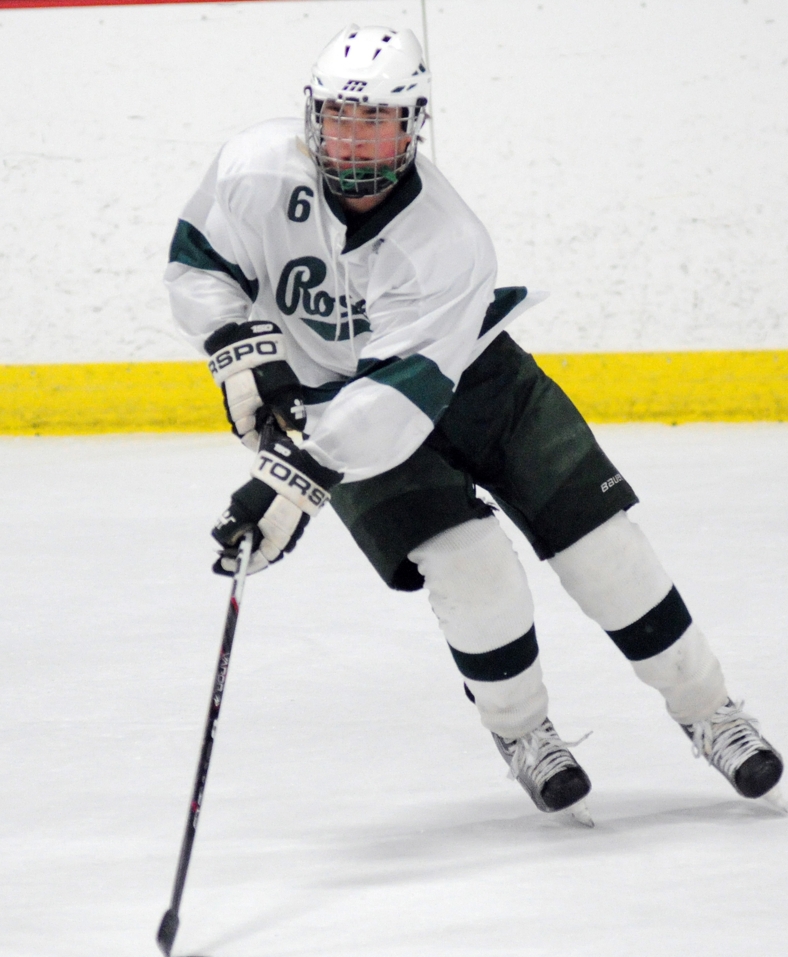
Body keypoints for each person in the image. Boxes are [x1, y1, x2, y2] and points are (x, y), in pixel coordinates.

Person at [165, 24, 783, 824]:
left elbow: (392, 409)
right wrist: (240, 354)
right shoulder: (253, 167)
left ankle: (711, 711)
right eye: (337, 118)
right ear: (311, 115)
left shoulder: (449, 243)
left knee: (605, 549)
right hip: (333, 404)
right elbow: (198, 263)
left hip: (476, 387)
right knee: (469, 565)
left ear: (414, 123)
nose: (351, 140)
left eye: (376, 120)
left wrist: (290, 483)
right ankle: (525, 736)